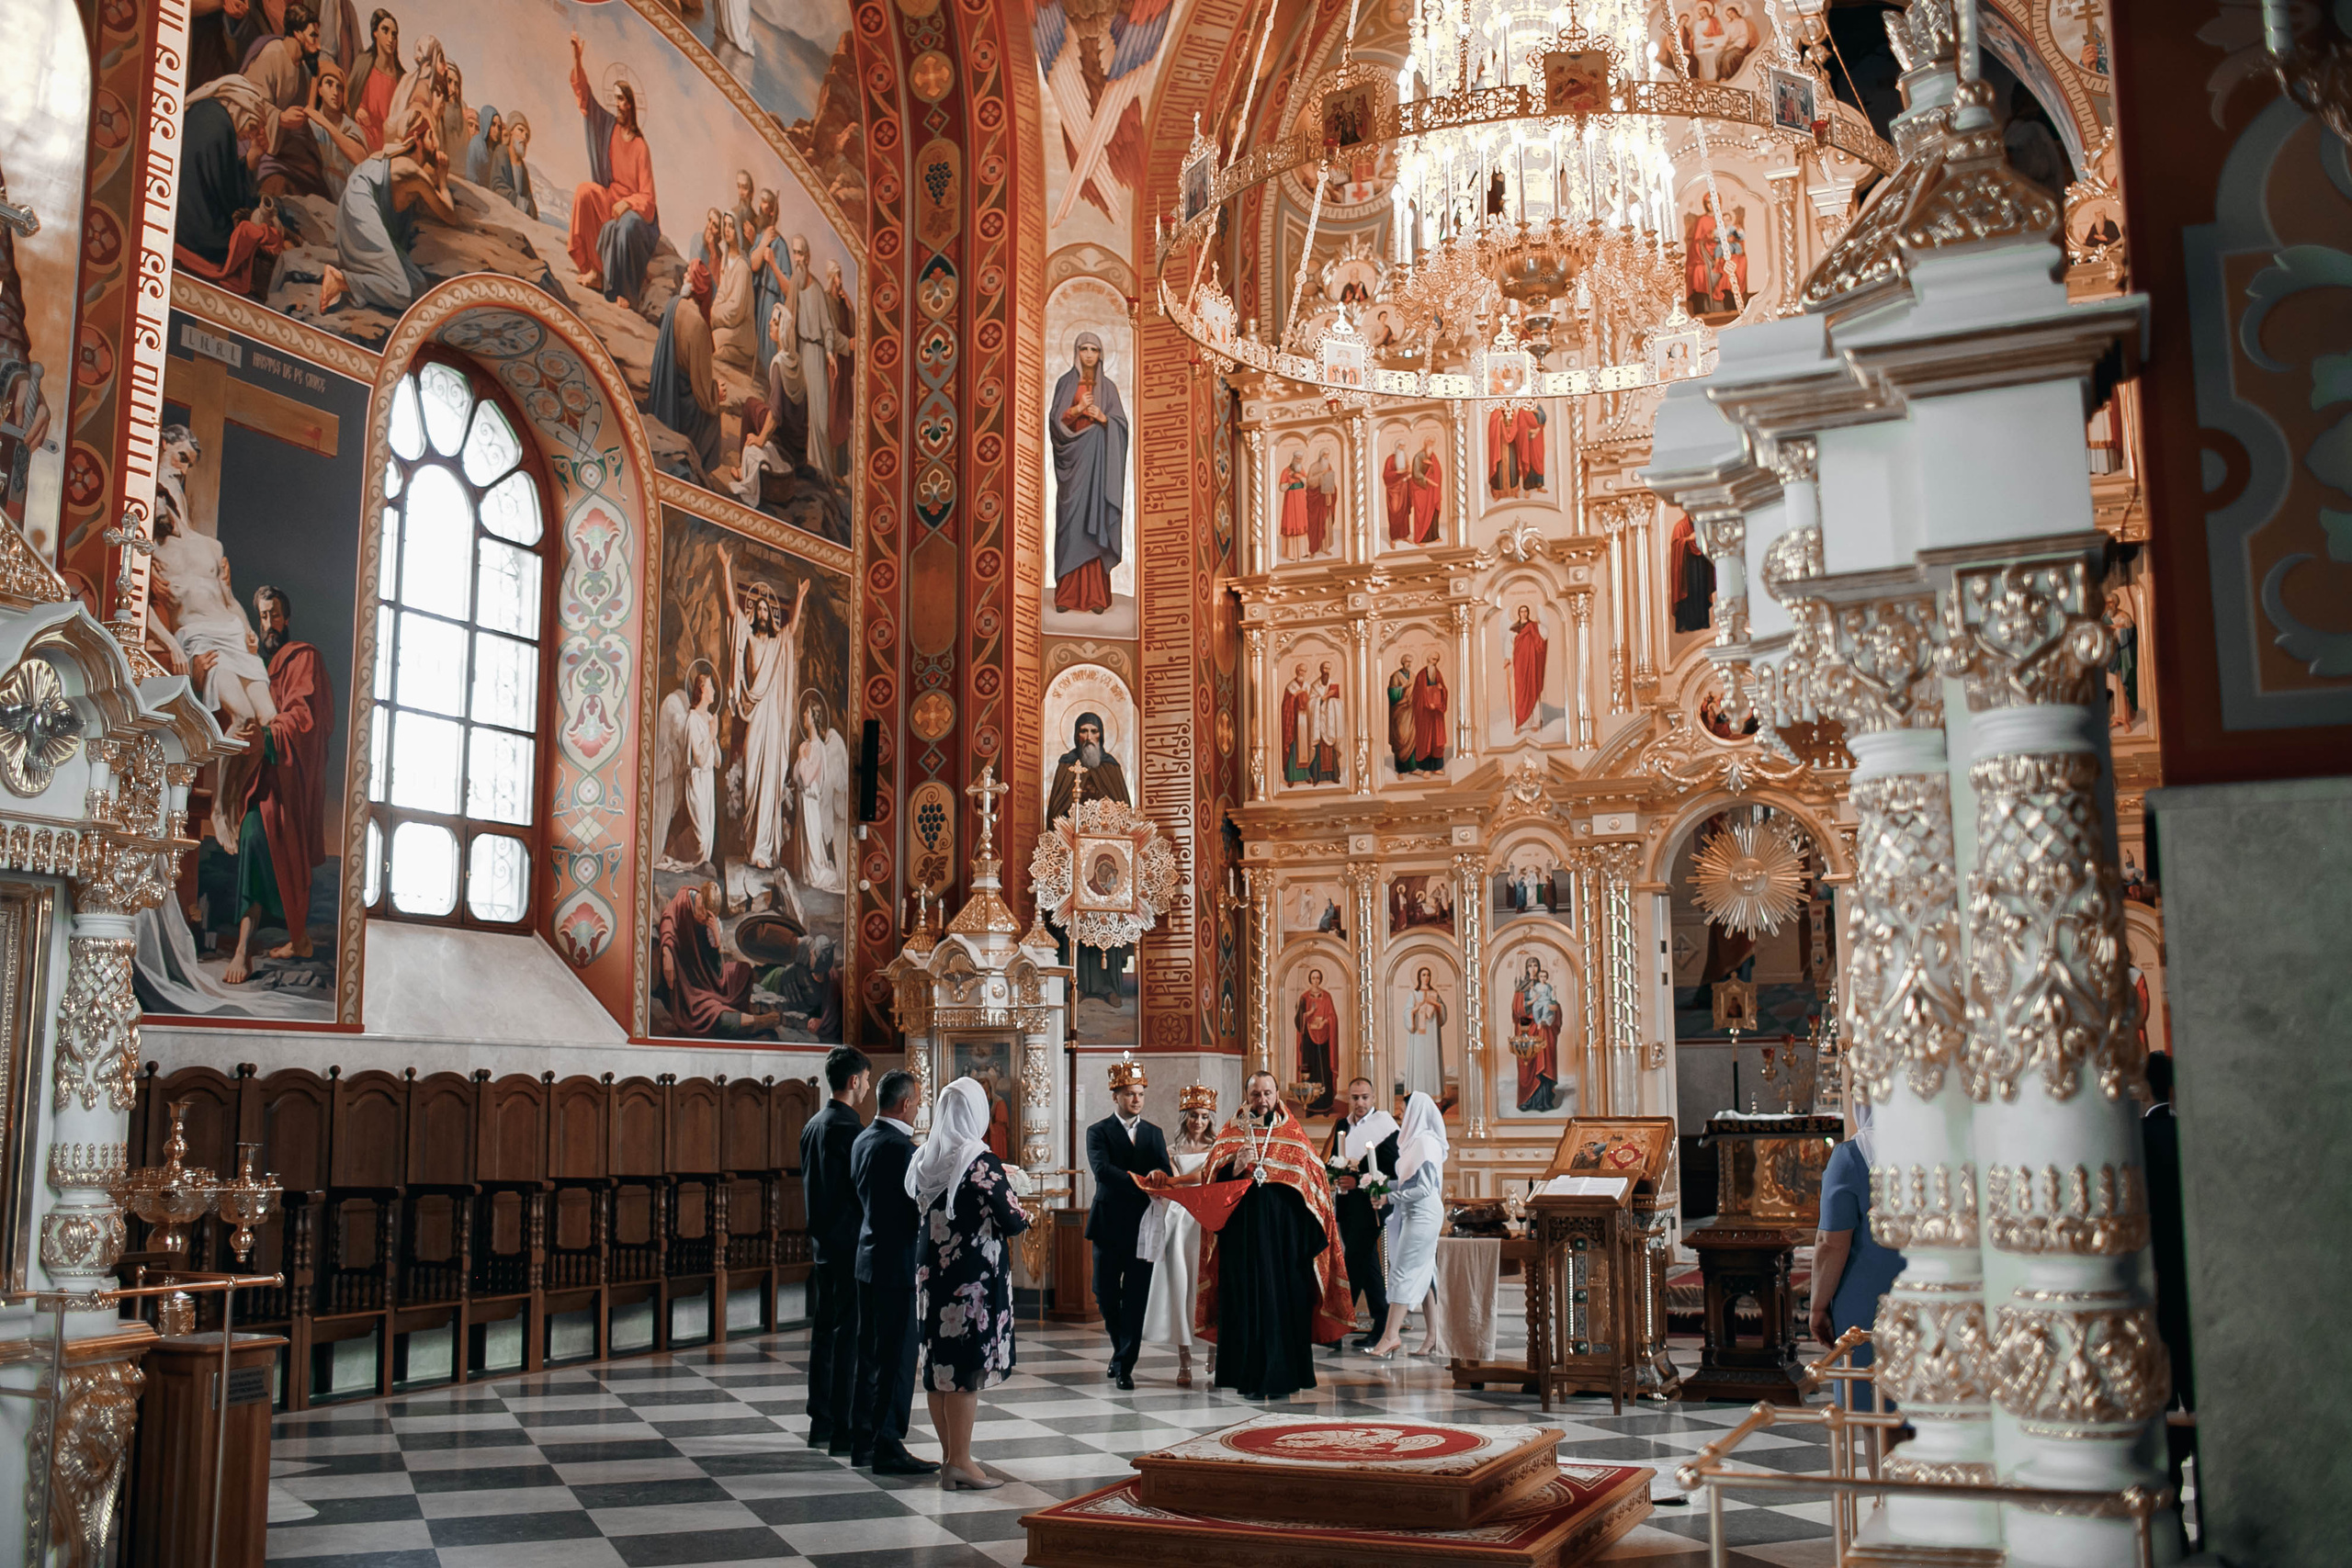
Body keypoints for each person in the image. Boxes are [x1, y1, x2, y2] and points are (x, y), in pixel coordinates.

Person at [1147, 1072, 1351, 1400]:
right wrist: (1233, 1168)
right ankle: (1248, 1377)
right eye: (1256, 1094)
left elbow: (1315, 1181)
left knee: (1281, 1306)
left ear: (1277, 1094)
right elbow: (1213, 1181)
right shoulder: (1230, 1133)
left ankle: (1284, 1378)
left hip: (1285, 1243)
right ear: (1247, 1097)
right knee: (1244, 1304)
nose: (1262, 1100)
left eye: (1267, 1093)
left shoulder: (1293, 1134)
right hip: (1241, 1241)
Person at [910, 1077, 1033, 1490]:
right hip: (971, 1280)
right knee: (964, 1368)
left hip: (932, 1276)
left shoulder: (926, 1155)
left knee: (938, 1367)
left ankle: (950, 1458)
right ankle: (960, 1461)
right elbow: (1014, 1220)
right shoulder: (979, 1159)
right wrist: (1013, 1185)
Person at [220, 588, 334, 985]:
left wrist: (269, 736)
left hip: (291, 777)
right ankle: (246, 947)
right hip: (266, 780)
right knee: (254, 837)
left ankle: (295, 940)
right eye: (263, 617)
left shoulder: (304, 657)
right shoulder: (261, 668)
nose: (269, 624)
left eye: (275, 616)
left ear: (287, 618)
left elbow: (306, 717)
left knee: (287, 853)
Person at [849, 1071, 939, 1475]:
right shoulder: (902, 1149)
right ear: (905, 1105)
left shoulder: (863, 1139)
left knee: (869, 1356)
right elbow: (916, 1205)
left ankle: (863, 1441)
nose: (918, 1107)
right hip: (897, 1264)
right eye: (918, 1101)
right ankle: (888, 1443)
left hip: (867, 1260)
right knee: (898, 1358)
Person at [1809, 1098, 1905, 1408]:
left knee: (1875, 1412)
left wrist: (1817, 1307)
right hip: (1936, 1296)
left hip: (1869, 1301)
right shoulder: (1946, 1148)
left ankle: (1880, 1460)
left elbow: (1831, 1243)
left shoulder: (1852, 1157)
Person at [800, 1046, 872, 1457]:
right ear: (853, 1081)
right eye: (864, 1079)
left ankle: (820, 1422)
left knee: (824, 1333)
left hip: (823, 1244)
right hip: (850, 1245)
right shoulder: (850, 1129)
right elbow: (859, 1191)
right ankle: (844, 1426)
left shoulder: (813, 1124)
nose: (865, 1087)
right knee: (850, 1337)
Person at [1085, 1056, 1171, 1391]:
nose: (1136, 1099)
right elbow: (1102, 1171)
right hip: (1108, 1224)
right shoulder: (1098, 1131)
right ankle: (1119, 1348)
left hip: (1143, 1228)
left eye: (1140, 1094)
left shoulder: (1154, 1133)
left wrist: (1161, 1175)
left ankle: (1125, 1364)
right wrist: (1142, 1179)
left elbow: (1166, 1171)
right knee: (1104, 1294)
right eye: (1129, 1094)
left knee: (1135, 1298)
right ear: (1115, 1096)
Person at [719, 547, 808, 869]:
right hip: (756, 715)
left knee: (771, 777)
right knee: (754, 776)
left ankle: (766, 850)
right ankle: (752, 847)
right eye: (756, 608)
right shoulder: (752, 640)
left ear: (770, 616)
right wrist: (727, 569)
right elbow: (732, 612)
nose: (760, 613)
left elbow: (792, 629)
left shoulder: (777, 642)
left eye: (764, 610)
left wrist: (797, 598)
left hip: (774, 713)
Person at [566, 32, 661, 304]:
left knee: (625, 226)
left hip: (633, 211)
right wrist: (577, 58)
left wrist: (629, 204)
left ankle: (620, 288)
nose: (617, 105)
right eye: (615, 99)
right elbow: (585, 97)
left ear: (630, 104)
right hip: (610, 197)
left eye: (621, 100)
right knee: (584, 191)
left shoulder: (641, 147)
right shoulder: (609, 127)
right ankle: (592, 269)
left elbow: (649, 200)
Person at [1140, 1086, 1217, 1386]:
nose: (1199, 1121)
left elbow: (1205, 1176)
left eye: (1204, 1116)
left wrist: (1175, 1180)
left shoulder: (1215, 1149)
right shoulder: (1172, 1150)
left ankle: (1213, 1350)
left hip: (1205, 1218)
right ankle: (1184, 1359)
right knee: (1179, 1285)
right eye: (1194, 1116)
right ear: (1185, 1117)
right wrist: (1165, 1181)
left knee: (1207, 1286)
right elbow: (1171, 1183)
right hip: (1179, 1218)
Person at [1049, 331, 1129, 614]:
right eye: (1083, 349)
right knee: (1072, 525)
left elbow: (1120, 425)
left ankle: (1096, 597)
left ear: (1100, 354)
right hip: (1074, 465)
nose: (1088, 354)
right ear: (1076, 352)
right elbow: (1056, 424)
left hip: (1099, 467)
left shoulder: (1108, 388)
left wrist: (1103, 418)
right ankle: (1066, 596)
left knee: (1095, 523)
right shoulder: (1065, 383)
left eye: (1093, 349)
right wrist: (1076, 410)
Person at [1367, 1091, 1447, 1358]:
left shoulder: (1425, 1142)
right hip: (1415, 1212)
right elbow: (1408, 1183)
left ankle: (1390, 1336)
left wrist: (1389, 1196)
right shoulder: (1415, 1143)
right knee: (1424, 1272)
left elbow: (1424, 1188)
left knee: (1401, 1271)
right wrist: (1378, 1184)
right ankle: (1434, 1336)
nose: (1401, 1114)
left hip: (1424, 1214)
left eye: (1404, 1110)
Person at [651, 882, 779, 1036]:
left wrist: (717, 944)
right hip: (686, 982)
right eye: (702, 912)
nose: (704, 918)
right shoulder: (684, 899)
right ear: (699, 899)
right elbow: (668, 921)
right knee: (707, 1014)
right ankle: (755, 1022)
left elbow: (717, 973)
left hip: (708, 977)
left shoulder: (712, 923)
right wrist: (667, 952)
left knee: (743, 971)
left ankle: (743, 1013)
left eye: (709, 916)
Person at [1326, 1079, 1396, 1351]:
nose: (1360, 1103)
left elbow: (1393, 1170)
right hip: (1347, 1206)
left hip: (1372, 1206)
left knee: (1354, 1263)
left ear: (1374, 1096)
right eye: (1354, 1097)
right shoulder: (1343, 1126)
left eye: (1364, 1097)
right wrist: (1337, 1178)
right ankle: (1381, 1326)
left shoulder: (1385, 1127)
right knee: (1368, 1267)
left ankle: (1337, 1327)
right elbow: (1334, 1159)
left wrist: (1359, 1181)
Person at [787, 234, 846, 479]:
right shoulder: (795, 285)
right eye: (795, 253)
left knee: (820, 420)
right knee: (804, 414)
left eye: (801, 254)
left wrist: (830, 352)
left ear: (808, 257)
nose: (798, 259)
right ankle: (808, 470)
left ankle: (824, 474)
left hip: (816, 354)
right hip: (801, 353)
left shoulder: (817, 291)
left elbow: (828, 328)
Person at [1294, 969, 1340, 1114]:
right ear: (1309, 979)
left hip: (1324, 1038)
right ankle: (1310, 1104)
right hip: (1309, 1039)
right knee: (1310, 1069)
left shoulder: (1326, 996)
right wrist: (1311, 1013)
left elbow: (1333, 1016)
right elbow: (1298, 1020)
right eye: (1313, 978)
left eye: (1318, 978)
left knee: (1324, 1069)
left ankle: (1325, 1102)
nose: (1315, 980)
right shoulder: (1304, 997)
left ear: (1320, 979)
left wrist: (1325, 1022)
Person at [492, 111, 536, 220]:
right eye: (520, 130)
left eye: (526, 134)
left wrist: (528, 209)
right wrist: (519, 202)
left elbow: (529, 199)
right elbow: (497, 186)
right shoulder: (501, 152)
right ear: (511, 131)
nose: (524, 137)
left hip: (519, 217)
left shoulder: (522, 167)